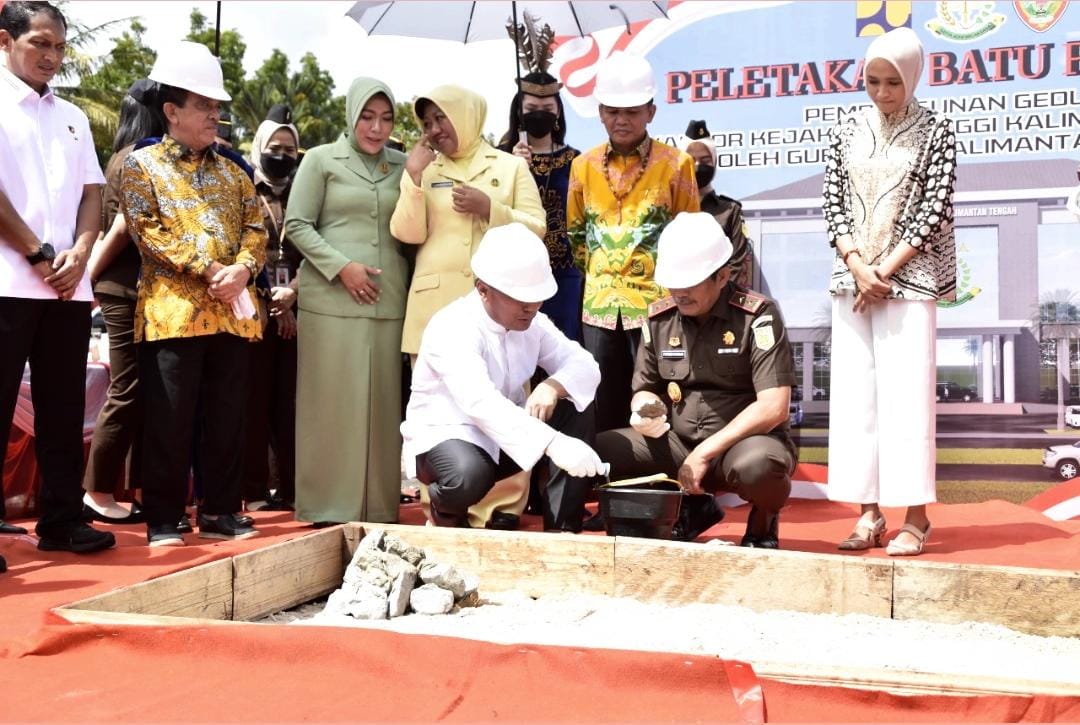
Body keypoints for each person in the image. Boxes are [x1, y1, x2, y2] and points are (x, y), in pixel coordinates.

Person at [122, 40, 266, 546]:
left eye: (217, 105)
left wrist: (245, 268)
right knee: (169, 419)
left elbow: (257, 227)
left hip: (232, 313)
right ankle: (163, 518)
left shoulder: (234, 170)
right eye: (204, 105)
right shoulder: (141, 167)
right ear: (171, 111)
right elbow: (148, 231)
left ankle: (222, 511)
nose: (216, 114)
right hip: (172, 313)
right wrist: (210, 268)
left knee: (227, 419)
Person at [822, 27, 956, 557]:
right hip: (851, 280)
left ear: (913, 77)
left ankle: (915, 519)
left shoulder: (937, 131)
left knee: (907, 402)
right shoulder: (845, 127)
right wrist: (858, 265)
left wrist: (885, 272)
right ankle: (868, 516)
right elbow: (831, 200)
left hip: (910, 280)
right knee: (857, 401)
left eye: (892, 82)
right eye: (872, 81)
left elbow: (933, 209)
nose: (881, 92)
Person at [595, 212, 798, 547]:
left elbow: (774, 407)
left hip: (740, 447)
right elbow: (645, 388)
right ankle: (679, 511)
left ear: (723, 276)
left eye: (690, 283)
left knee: (761, 467)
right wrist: (644, 407)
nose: (679, 292)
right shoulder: (660, 318)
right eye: (673, 282)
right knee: (596, 452)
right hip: (676, 444)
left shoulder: (757, 316)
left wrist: (703, 454)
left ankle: (764, 518)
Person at [0, 1, 115, 560]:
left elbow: (93, 192)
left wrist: (82, 251)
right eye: (38, 43)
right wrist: (37, 253)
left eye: (59, 47)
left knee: (64, 408)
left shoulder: (72, 115)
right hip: (8, 280)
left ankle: (65, 520)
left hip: (69, 284)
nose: (50, 56)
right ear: (6, 42)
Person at [402, 223, 604, 532]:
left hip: (506, 435)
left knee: (574, 402)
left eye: (537, 298)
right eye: (521, 299)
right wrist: (553, 443)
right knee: (468, 475)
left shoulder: (534, 323)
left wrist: (552, 386)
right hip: (449, 436)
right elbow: (480, 402)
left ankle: (562, 528)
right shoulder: (453, 326)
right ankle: (445, 517)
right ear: (483, 289)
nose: (532, 308)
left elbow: (585, 365)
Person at [284, 77, 410, 526]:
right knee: (329, 404)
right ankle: (324, 505)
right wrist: (343, 267)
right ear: (351, 115)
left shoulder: (404, 165)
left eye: (386, 118)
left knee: (381, 409)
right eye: (367, 117)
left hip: (389, 301)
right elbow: (296, 225)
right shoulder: (319, 160)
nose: (376, 128)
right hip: (330, 299)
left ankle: (379, 506)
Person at [567, 52, 699, 435]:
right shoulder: (583, 166)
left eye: (632, 110)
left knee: (657, 400)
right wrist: (602, 276)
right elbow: (577, 235)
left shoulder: (676, 165)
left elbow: (687, 235)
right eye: (612, 111)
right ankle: (607, 482)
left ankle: (661, 485)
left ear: (651, 112)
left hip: (656, 305)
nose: (621, 119)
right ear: (600, 113)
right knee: (601, 399)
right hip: (599, 306)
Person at [389, 83, 546, 357]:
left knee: (499, 397)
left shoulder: (511, 166)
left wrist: (490, 209)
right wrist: (413, 176)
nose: (434, 129)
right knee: (435, 399)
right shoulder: (422, 170)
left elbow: (537, 229)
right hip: (434, 310)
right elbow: (407, 234)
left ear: (466, 115)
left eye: (441, 118)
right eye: (427, 123)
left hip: (498, 309)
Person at [81, 79, 164, 526]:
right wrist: (87, 281)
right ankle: (97, 491)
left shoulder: (127, 154)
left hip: (135, 288)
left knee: (146, 393)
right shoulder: (136, 158)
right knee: (128, 390)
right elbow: (119, 232)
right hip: (123, 287)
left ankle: (131, 488)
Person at [242, 110, 302, 512]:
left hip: (299, 308)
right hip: (251, 307)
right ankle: (256, 488)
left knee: (291, 404)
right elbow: (241, 247)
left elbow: (309, 252)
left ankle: (295, 488)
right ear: (259, 149)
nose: (281, 155)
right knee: (253, 401)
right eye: (274, 149)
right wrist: (271, 301)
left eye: (289, 149)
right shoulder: (244, 188)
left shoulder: (304, 190)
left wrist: (292, 296)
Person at [498, 72, 582, 342]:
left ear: (558, 113)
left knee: (564, 345)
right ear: (519, 113)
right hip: (515, 271)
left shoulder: (577, 161)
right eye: (532, 109)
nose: (540, 115)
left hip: (565, 272)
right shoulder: (498, 158)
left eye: (547, 109)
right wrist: (513, 165)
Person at [681, 119, 754, 290]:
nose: (699, 166)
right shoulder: (670, 207)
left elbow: (737, 263)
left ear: (714, 163)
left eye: (706, 160)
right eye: (692, 160)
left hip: (720, 305)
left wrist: (718, 299)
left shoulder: (730, 210)